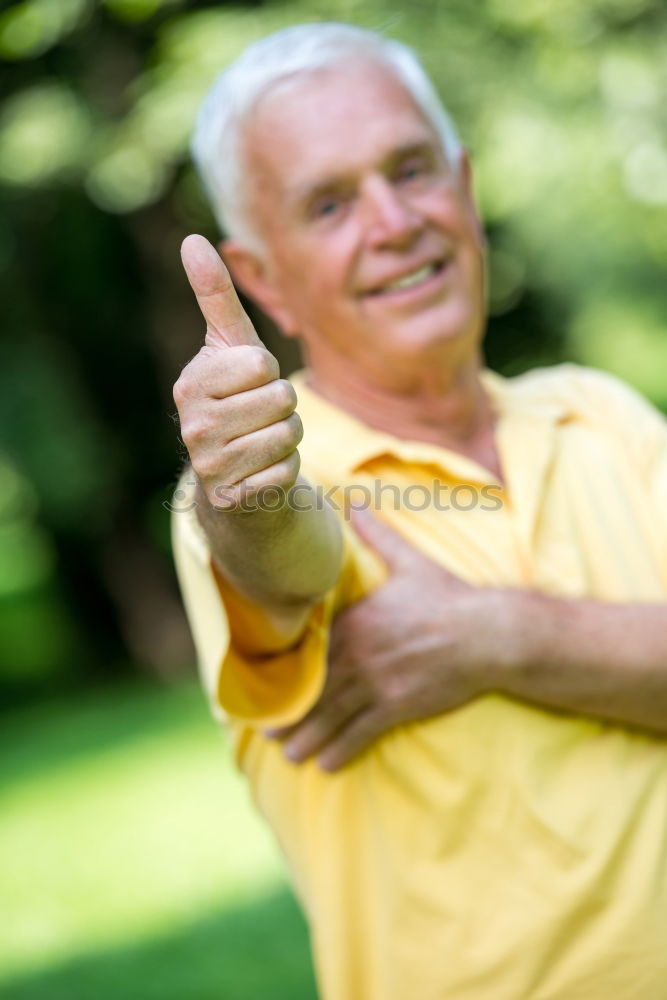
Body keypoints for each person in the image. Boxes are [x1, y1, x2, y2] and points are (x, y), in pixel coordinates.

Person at [171, 22, 667, 1000]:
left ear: (466, 190)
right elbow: (284, 559)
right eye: (328, 203)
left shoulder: (600, 412)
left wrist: (495, 633)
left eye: (411, 169)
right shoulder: (242, 482)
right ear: (262, 275)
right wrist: (252, 495)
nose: (394, 222)